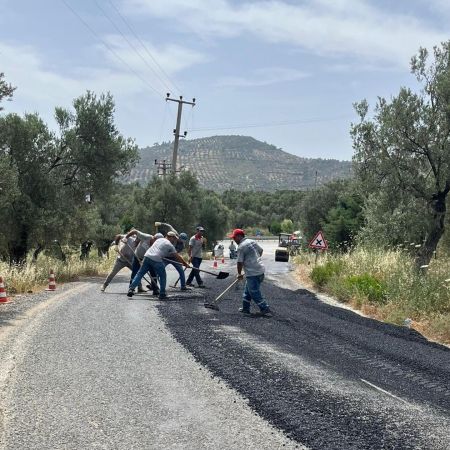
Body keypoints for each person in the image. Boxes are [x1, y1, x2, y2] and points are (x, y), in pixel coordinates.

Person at [128, 231, 190, 299]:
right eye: (174, 238)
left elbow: (157, 248)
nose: (174, 240)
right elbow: (177, 256)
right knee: (163, 275)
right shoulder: (170, 245)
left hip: (147, 256)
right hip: (156, 259)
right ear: (170, 237)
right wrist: (185, 264)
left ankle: (131, 289)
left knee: (140, 274)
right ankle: (162, 294)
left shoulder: (159, 240)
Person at [229, 228, 272, 316]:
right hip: (260, 270)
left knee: (254, 292)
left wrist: (239, 274)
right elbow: (261, 251)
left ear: (239, 236)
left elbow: (239, 262)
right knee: (247, 291)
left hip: (253, 273)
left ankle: (265, 308)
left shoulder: (241, 247)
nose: (234, 239)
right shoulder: (251, 241)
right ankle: (246, 308)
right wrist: (254, 260)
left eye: (234, 237)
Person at [123, 229, 160, 295]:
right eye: (156, 241)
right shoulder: (146, 237)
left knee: (153, 272)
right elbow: (134, 231)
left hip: (149, 259)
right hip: (137, 257)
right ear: (154, 238)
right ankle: (131, 289)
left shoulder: (158, 245)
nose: (157, 243)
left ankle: (155, 289)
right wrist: (126, 237)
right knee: (135, 272)